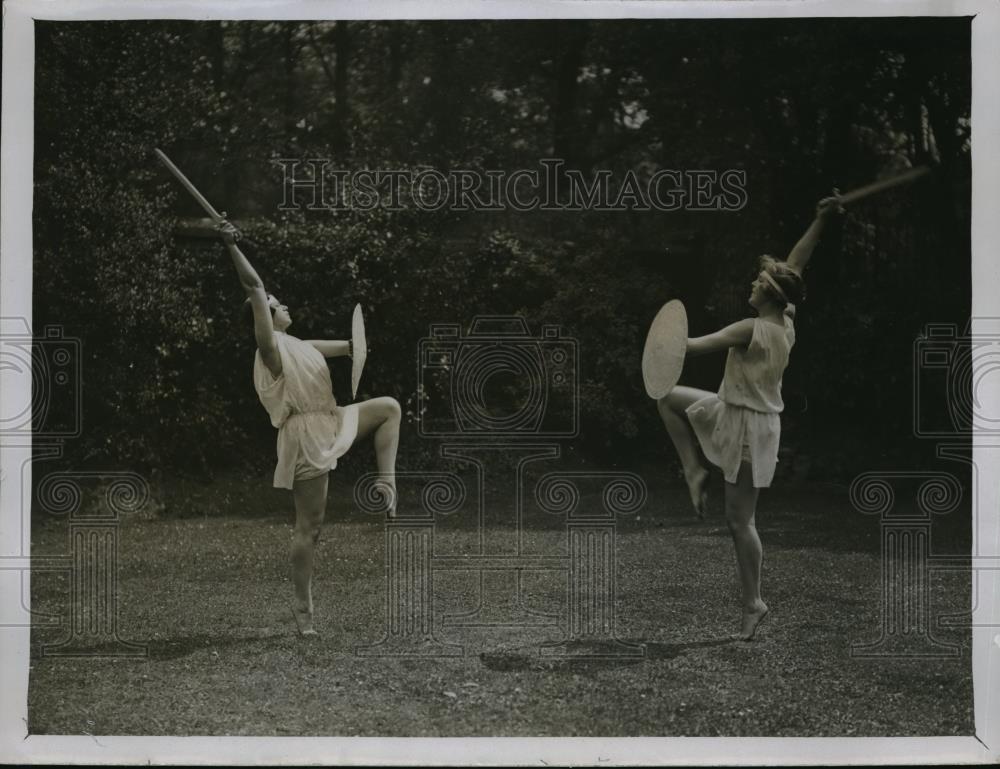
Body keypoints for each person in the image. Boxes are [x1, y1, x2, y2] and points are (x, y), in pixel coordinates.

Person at [656, 195, 843, 641]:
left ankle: (754, 603)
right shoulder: (786, 323)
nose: (753, 284)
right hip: (738, 413)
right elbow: (796, 263)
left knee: (740, 522)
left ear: (770, 295)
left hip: (747, 427)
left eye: (759, 282)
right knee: (667, 397)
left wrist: (661, 335)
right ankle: (691, 469)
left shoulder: (749, 328)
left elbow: (694, 346)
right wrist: (820, 220)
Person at [218, 220, 401, 637]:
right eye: (276, 305)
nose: (283, 307)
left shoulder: (298, 344)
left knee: (389, 408)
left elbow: (344, 348)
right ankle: (303, 610)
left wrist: (355, 348)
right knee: (310, 527)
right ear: (265, 315)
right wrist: (230, 244)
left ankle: (387, 486)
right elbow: (253, 288)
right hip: (305, 437)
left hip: (332, 420)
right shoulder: (270, 350)